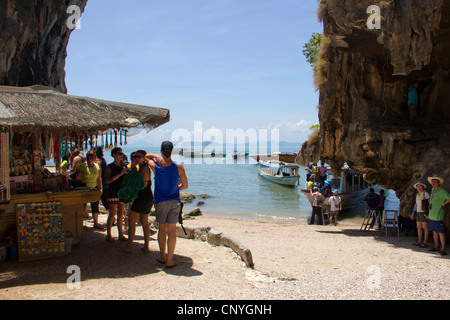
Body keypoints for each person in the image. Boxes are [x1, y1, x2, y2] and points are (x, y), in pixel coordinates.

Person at [146, 141, 188, 268]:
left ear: (161, 151)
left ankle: (162, 257)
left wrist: (156, 156)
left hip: (160, 201)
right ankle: (170, 260)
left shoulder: (155, 166)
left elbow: (145, 156)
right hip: (174, 201)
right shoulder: (178, 166)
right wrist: (176, 188)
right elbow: (185, 186)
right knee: (172, 231)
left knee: (162, 230)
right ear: (172, 151)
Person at [122, 150, 154, 253]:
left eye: (139, 156)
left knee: (132, 220)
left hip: (143, 196)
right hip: (146, 196)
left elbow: (142, 185)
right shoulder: (141, 168)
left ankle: (130, 245)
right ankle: (146, 246)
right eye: (135, 156)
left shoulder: (144, 169)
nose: (136, 158)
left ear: (144, 157)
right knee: (144, 222)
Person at [105, 147, 128, 242]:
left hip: (121, 192)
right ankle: (109, 235)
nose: (121, 155)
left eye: (122, 154)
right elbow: (107, 180)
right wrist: (120, 174)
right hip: (113, 192)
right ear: (114, 155)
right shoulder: (110, 167)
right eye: (119, 153)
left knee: (120, 214)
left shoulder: (123, 166)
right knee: (112, 214)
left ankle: (120, 234)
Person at [78, 149, 103, 229]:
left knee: (95, 205)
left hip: (94, 188)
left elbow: (99, 178)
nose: (95, 157)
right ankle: (80, 223)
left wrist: (100, 188)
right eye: (93, 156)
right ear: (89, 157)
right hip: (84, 188)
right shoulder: (83, 166)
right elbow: (77, 177)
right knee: (82, 206)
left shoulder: (96, 166)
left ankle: (96, 223)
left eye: (95, 156)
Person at [427, 175, 450, 256]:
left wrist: (443, 204)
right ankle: (436, 246)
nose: (433, 183)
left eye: (435, 181)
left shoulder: (442, 191)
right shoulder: (433, 190)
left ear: (438, 182)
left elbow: (449, 198)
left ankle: (443, 249)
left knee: (440, 232)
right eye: (432, 181)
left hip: (438, 215)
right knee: (434, 232)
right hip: (432, 214)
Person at [411, 181, 430, 248]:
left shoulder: (426, 194)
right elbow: (416, 205)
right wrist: (413, 213)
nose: (419, 188)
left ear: (423, 187)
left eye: (420, 186)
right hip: (418, 212)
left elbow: (430, 204)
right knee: (419, 227)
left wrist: (429, 214)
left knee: (425, 227)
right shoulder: (417, 195)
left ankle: (425, 242)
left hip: (424, 212)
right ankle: (419, 241)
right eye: (418, 186)